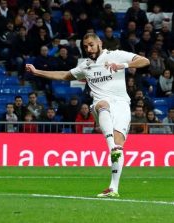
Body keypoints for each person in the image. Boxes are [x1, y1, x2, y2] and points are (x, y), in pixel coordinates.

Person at [26, 32, 150, 197]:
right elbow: (64, 75)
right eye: (85, 47)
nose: (89, 49)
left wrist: (123, 66)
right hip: (100, 105)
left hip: (122, 105)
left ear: (99, 42)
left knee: (119, 147)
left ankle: (113, 188)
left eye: (91, 44)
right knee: (103, 105)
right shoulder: (85, 66)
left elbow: (145, 61)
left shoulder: (116, 55)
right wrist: (37, 72)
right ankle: (111, 145)